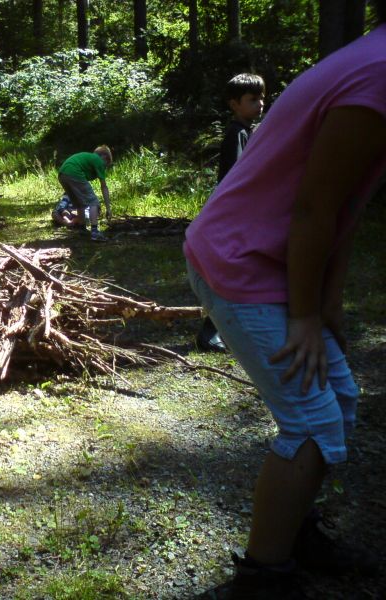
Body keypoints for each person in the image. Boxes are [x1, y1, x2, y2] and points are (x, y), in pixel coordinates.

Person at [186, 13, 386, 600]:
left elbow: (346, 204)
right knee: (311, 421)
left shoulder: (372, 60)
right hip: (240, 259)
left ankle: (295, 533)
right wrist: (303, 315)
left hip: (270, 257)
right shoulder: (378, 75)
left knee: (339, 400)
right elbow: (313, 209)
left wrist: (327, 302)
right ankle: (262, 576)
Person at [197, 73, 266, 353]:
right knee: (232, 272)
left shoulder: (246, 131)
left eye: (262, 97)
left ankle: (226, 328)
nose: (260, 104)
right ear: (235, 104)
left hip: (241, 214)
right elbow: (234, 176)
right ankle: (210, 332)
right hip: (234, 215)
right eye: (253, 99)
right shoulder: (236, 133)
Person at [57, 145, 113, 241]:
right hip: (74, 172)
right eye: (106, 163)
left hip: (62, 173)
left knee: (79, 204)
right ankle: (95, 232)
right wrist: (108, 208)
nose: (105, 167)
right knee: (93, 202)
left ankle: (81, 229)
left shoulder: (89, 158)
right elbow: (104, 186)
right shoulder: (98, 160)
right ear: (104, 157)